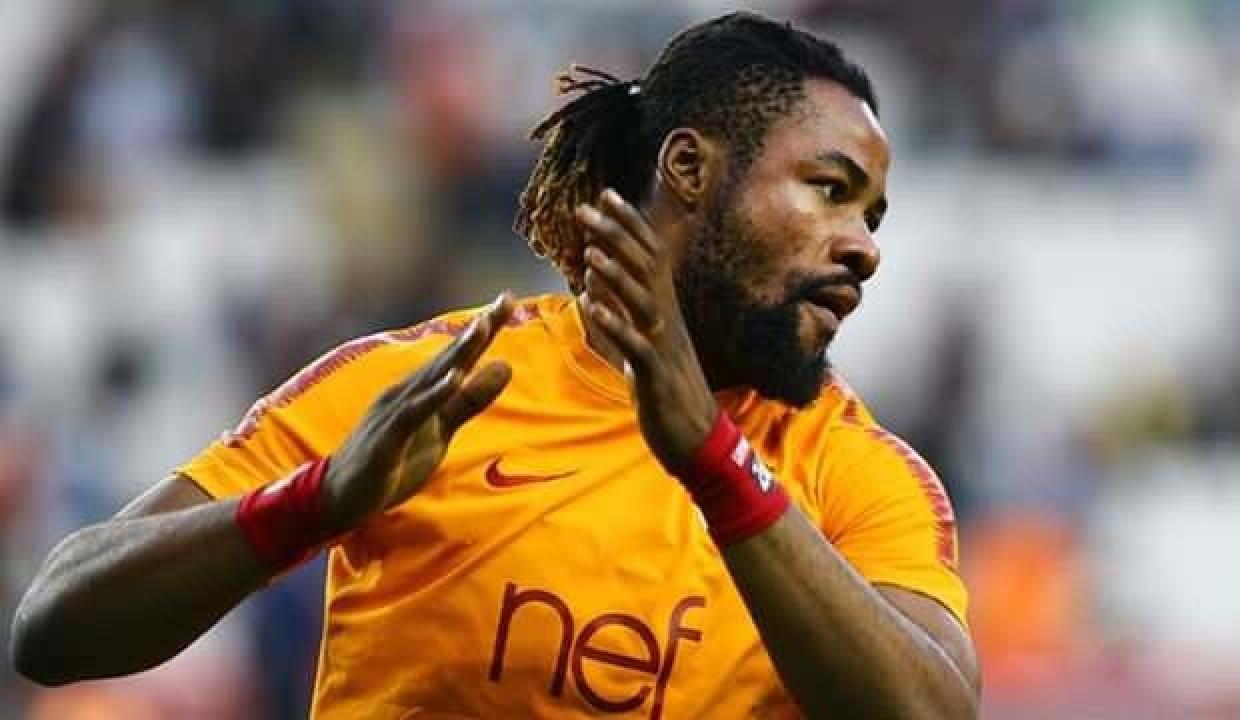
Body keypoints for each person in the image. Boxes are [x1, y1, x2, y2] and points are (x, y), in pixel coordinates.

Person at [11, 12, 979, 719]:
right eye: (829, 190)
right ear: (690, 170)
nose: (863, 248)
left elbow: (930, 710)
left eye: (872, 216)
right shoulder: (442, 388)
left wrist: (713, 461)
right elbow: (56, 624)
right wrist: (318, 501)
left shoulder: (858, 476)